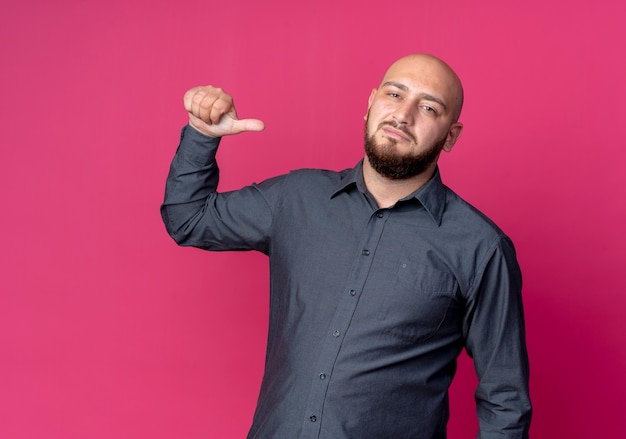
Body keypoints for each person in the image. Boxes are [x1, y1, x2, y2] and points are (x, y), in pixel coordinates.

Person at [161, 54, 532, 438]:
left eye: (427, 107)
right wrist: (201, 134)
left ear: (450, 136)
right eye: (394, 94)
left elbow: (504, 397)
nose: (402, 116)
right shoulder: (296, 198)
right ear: (370, 103)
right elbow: (187, 219)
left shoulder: (480, 247)